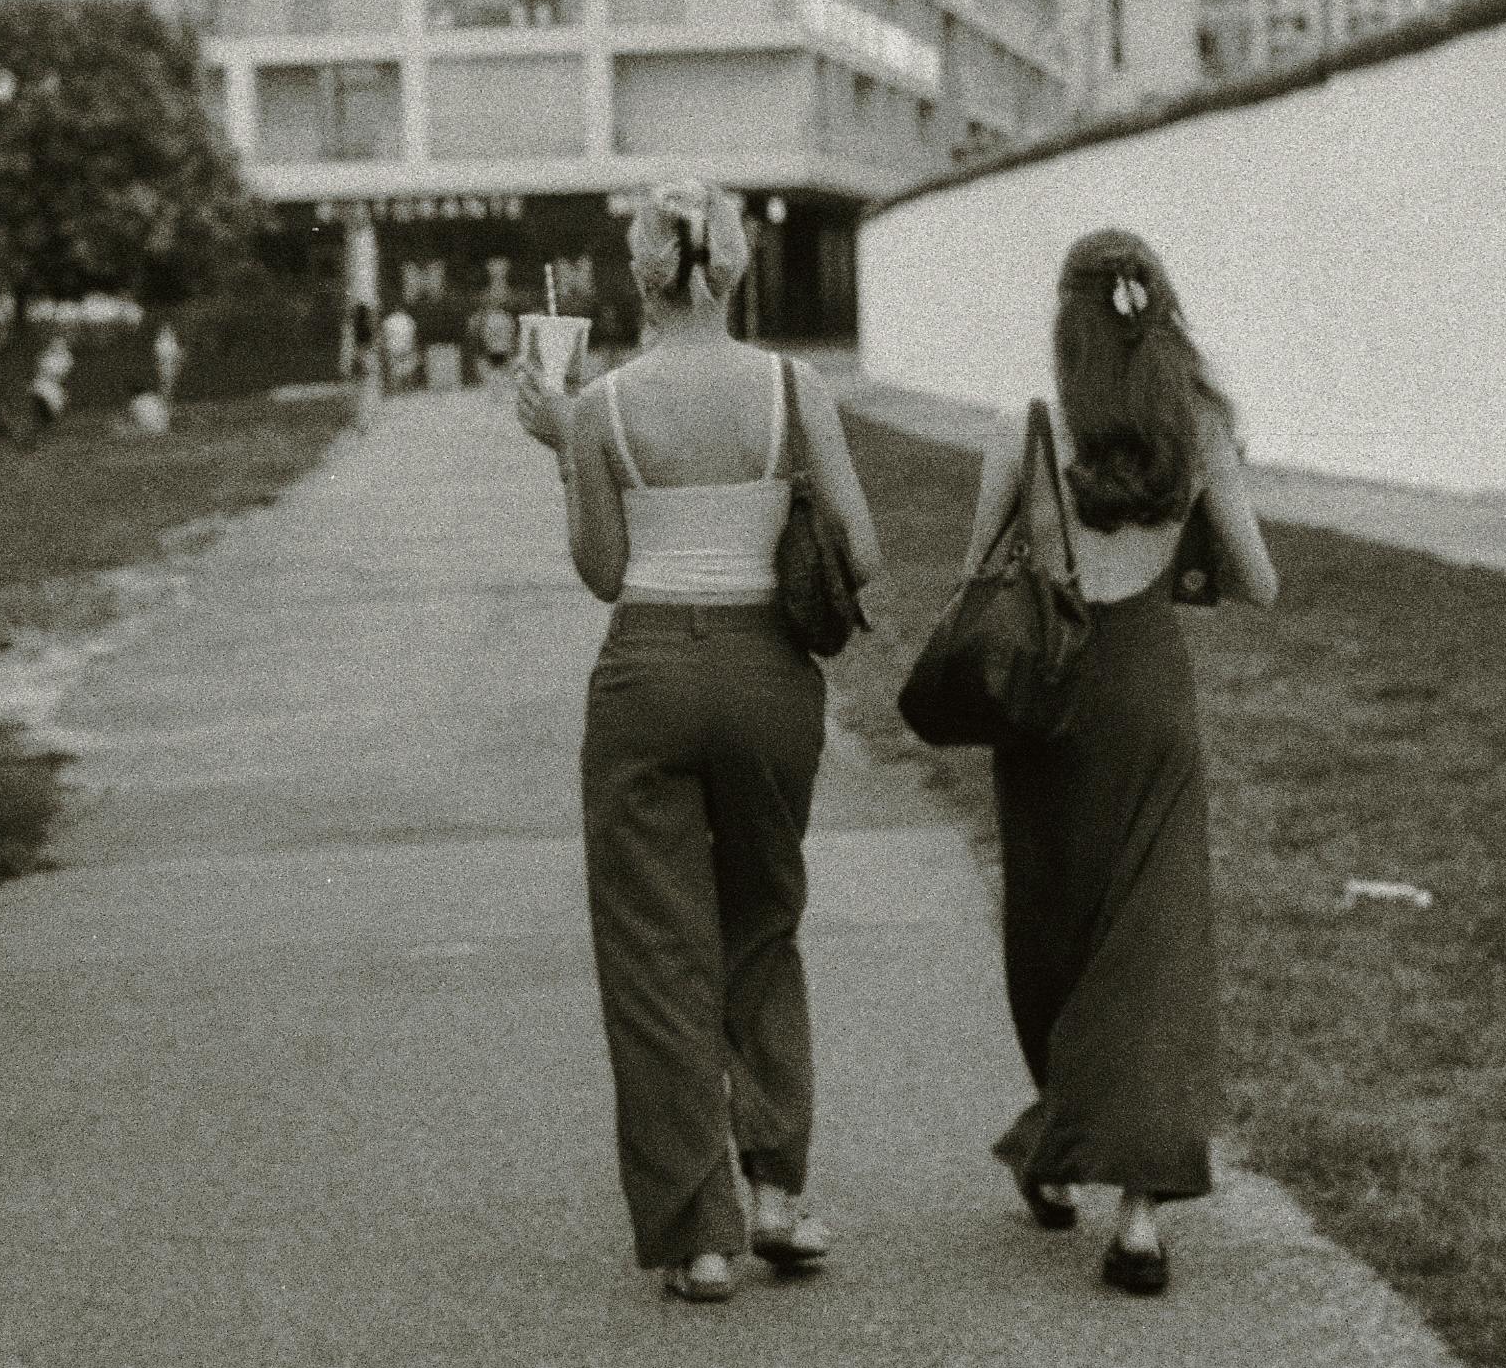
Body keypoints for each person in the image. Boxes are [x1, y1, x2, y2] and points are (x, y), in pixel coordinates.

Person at [513, 181, 882, 1303]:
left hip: (646, 678)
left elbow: (604, 572)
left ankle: (699, 1237)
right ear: (733, 270)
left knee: (655, 951)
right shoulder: (791, 386)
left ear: (638, 274)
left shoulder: (604, 406)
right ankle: (778, 1193)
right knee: (761, 921)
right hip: (768, 676)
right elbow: (859, 554)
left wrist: (559, 441)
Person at [959, 229, 1275, 1296]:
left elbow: (975, 574)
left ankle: (1058, 1144)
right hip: (1148, 697)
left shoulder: (1022, 429)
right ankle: (1135, 1216)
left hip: (1047, 709)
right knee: (1151, 945)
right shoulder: (1193, 434)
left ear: (1064, 326)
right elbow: (1260, 582)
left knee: (1052, 935)